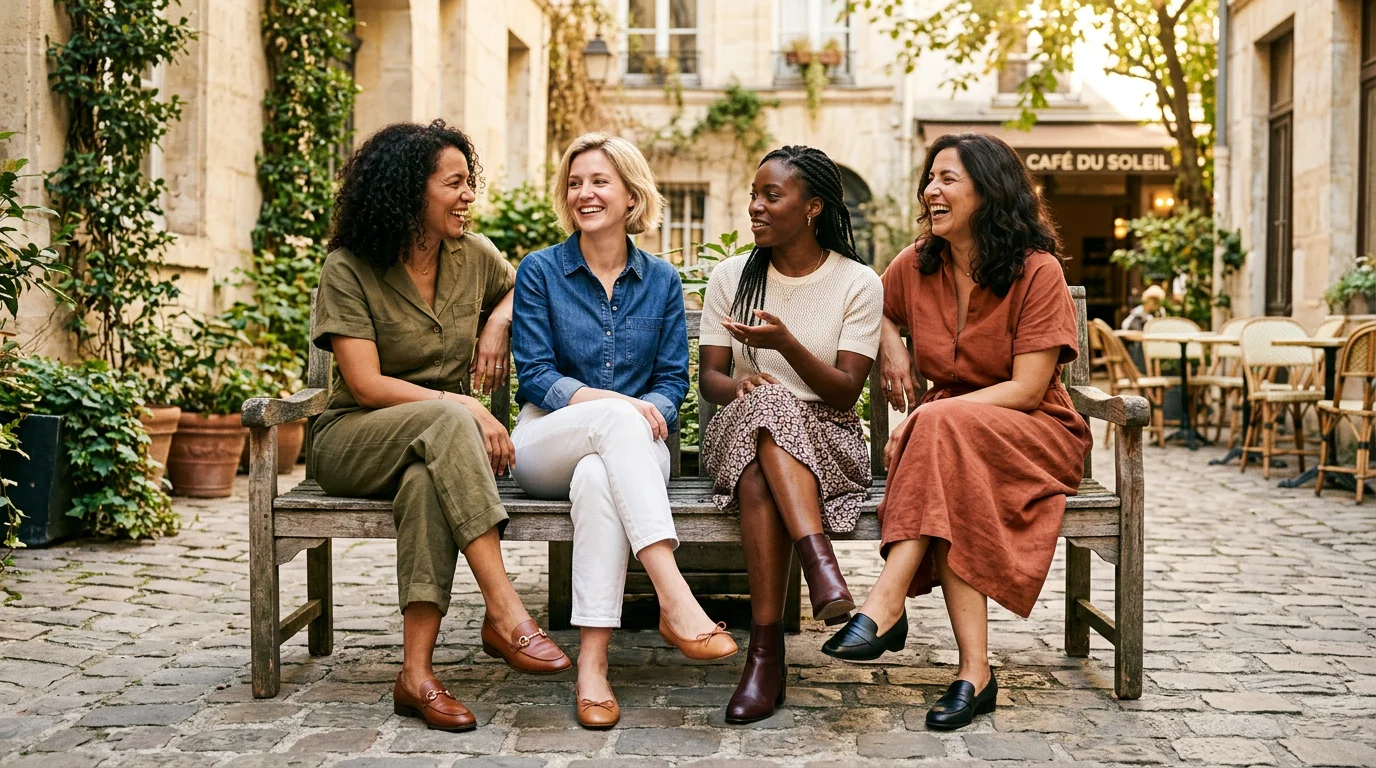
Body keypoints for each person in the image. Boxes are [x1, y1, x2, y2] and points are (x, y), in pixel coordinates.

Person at [822, 132, 1092, 732]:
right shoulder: (919, 261)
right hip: (951, 440)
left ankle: (885, 604)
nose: (931, 190)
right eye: (930, 178)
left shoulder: (1037, 271)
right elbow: (873, 305)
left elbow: (1028, 389)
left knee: (941, 432)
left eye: (948, 179)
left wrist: (924, 415)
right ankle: (975, 673)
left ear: (989, 192)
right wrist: (891, 343)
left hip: (1034, 433)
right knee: (950, 475)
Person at [310, 120, 571, 733]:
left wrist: (497, 321)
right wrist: (465, 405)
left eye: (468, 182)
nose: (467, 195)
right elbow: (366, 385)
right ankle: (504, 611)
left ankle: (416, 677)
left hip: (436, 451)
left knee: (428, 484)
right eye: (453, 184)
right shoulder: (348, 269)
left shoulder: (473, 256)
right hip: (355, 438)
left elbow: (528, 287)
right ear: (409, 192)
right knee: (449, 420)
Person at [510, 133, 737, 731]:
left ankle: (592, 668)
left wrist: (645, 410)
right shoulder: (540, 271)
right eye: (575, 183)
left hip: (635, 447)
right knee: (611, 424)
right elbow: (535, 375)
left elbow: (672, 380)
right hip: (546, 439)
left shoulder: (660, 280)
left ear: (631, 194)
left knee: (596, 477)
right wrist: (622, 406)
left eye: (599, 181)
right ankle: (674, 597)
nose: (584, 193)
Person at [698, 145, 883, 724]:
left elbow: (844, 393)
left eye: (771, 195)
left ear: (812, 207)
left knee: (761, 474)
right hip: (740, 428)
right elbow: (710, 379)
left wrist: (786, 346)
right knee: (770, 403)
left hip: (828, 438)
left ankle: (765, 657)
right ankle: (820, 566)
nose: (755, 206)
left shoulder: (857, 282)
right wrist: (743, 387)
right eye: (754, 195)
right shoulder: (732, 276)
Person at [1121, 284, 1166, 371]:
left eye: (1157, 300)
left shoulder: (1159, 312)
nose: (1154, 302)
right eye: (1152, 299)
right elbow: (1125, 326)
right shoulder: (1138, 312)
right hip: (1136, 344)